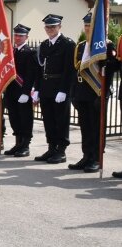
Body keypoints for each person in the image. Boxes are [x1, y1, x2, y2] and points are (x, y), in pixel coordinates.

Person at [69, 12, 115, 173]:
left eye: (91, 26)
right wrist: (74, 93)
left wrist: (103, 92)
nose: (88, 28)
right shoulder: (81, 46)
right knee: (85, 127)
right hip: (82, 93)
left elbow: (109, 72)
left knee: (96, 127)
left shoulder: (106, 45)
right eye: (86, 25)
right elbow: (76, 72)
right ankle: (86, 155)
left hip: (97, 93)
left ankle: (96, 158)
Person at [33, 14, 76, 164]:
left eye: (53, 26)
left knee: (61, 120)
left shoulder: (68, 44)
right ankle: (51, 148)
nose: (50, 29)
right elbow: (39, 69)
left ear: (60, 27)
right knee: (49, 120)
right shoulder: (44, 45)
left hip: (59, 88)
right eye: (47, 27)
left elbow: (70, 70)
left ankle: (61, 151)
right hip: (46, 87)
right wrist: (37, 89)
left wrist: (64, 90)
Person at [3, 24, 37, 157]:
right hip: (11, 91)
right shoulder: (12, 52)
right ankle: (18, 143)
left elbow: (31, 75)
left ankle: (25, 145)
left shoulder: (30, 52)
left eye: (20, 35)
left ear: (26, 37)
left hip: (22, 91)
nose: (17, 37)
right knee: (14, 118)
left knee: (25, 118)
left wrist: (26, 92)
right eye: (16, 35)